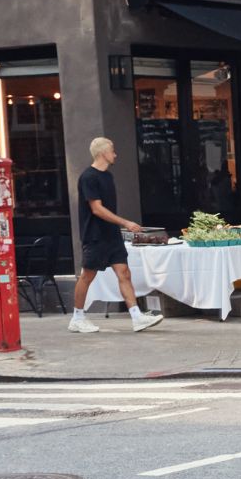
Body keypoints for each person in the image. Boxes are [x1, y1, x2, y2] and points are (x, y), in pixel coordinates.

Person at [70, 139, 166, 334]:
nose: (115, 155)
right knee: (88, 275)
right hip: (95, 236)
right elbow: (96, 209)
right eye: (112, 151)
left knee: (124, 273)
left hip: (111, 235)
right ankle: (77, 318)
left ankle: (137, 317)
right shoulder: (88, 177)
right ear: (104, 153)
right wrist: (126, 223)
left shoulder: (108, 177)